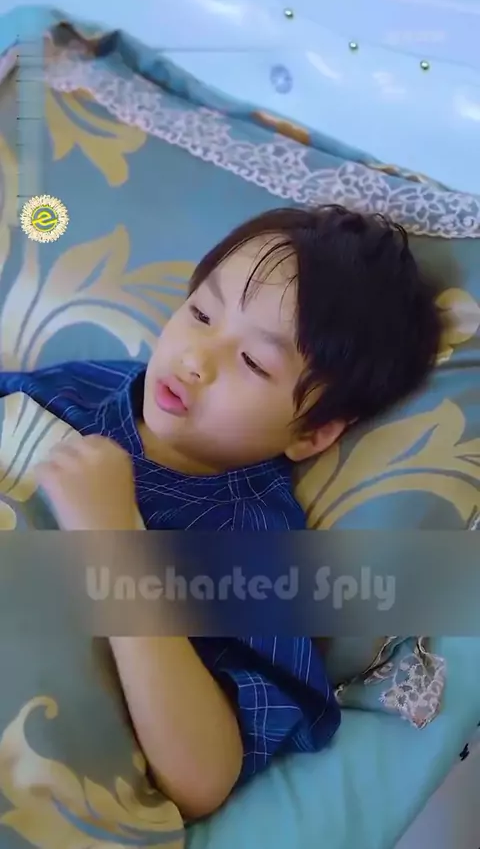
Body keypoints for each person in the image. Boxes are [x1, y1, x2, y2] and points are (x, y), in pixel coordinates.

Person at [0, 205, 442, 819]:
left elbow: (203, 777)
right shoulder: (83, 390)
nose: (196, 359)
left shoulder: (255, 545)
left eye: (253, 362)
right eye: (201, 314)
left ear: (313, 433)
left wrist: (115, 536)